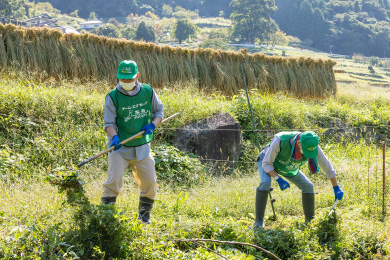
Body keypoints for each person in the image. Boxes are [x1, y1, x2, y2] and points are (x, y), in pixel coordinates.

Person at [101, 60, 164, 224]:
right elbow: (109, 123)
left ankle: (144, 218)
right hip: (120, 148)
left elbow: (159, 111)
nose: (126, 83)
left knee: (150, 182)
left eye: (129, 79)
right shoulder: (112, 97)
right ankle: (106, 219)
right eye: (123, 79)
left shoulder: (148, 92)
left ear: (137, 76)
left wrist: (153, 124)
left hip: (142, 147)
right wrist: (114, 137)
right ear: (118, 77)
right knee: (113, 181)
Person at [254, 131, 344, 228]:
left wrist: (336, 187)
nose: (308, 154)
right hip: (268, 161)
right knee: (266, 182)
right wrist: (278, 178)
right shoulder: (280, 140)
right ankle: (259, 221)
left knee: (308, 186)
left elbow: (327, 166)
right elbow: (267, 163)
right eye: (306, 151)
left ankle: (309, 222)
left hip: (288, 166)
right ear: (298, 143)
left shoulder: (312, 144)